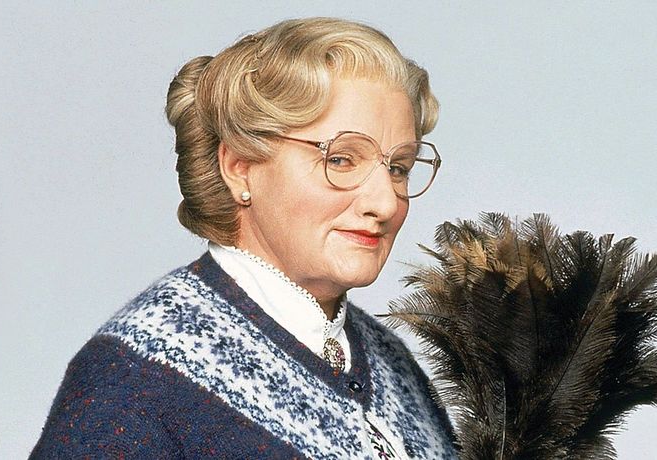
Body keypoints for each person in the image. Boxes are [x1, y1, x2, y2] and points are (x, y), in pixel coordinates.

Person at [31, 17, 457, 459]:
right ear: (239, 167)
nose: (385, 203)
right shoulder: (133, 377)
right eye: (342, 160)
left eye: (398, 168)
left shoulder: (395, 366)